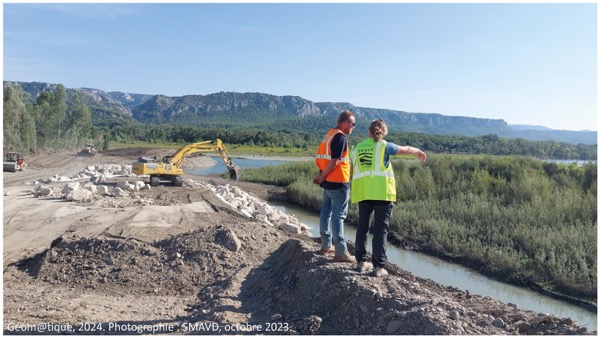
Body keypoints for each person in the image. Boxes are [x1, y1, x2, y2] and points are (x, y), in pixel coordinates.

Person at [350, 119, 426, 277]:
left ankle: (361, 262)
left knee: (362, 227)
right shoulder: (384, 145)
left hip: (363, 192)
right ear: (383, 132)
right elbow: (405, 149)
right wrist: (418, 151)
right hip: (382, 193)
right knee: (380, 230)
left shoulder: (356, 148)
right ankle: (378, 267)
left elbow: (352, 170)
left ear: (369, 132)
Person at [313, 110, 356, 263]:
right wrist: (322, 177)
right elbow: (334, 161)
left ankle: (326, 245)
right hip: (338, 183)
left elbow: (324, 159)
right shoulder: (340, 137)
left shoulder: (329, 135)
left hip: (328, 183)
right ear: (345, 123)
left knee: (326, 213)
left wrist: (321, 176)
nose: (353, 127)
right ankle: (341, 252)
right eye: (353, 124)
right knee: (338, 217)